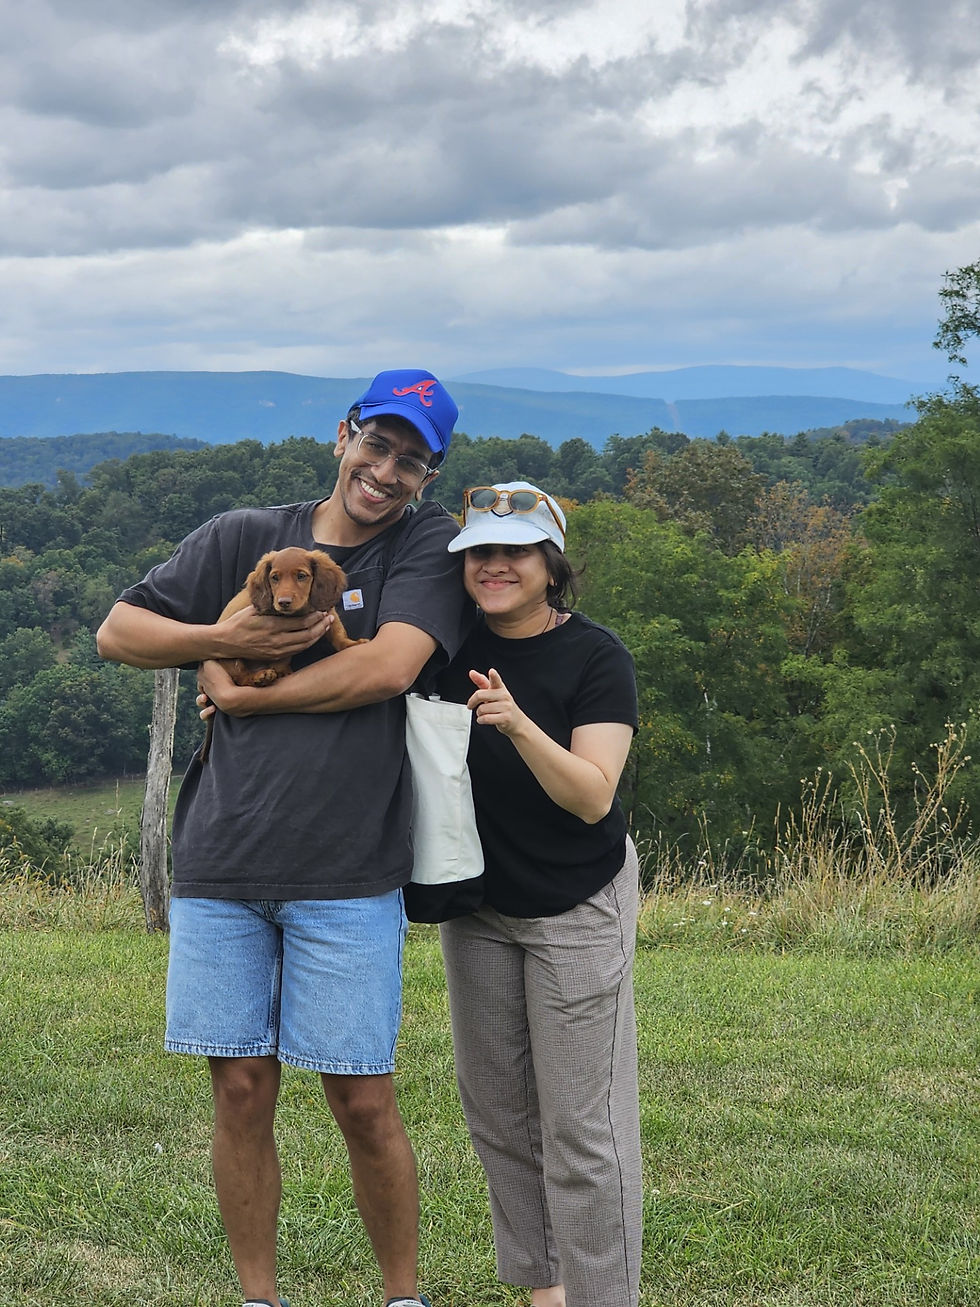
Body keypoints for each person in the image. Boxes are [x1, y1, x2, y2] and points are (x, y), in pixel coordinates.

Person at [96, 369, 470, 1307]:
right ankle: (259, 1298)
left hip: (349, 864)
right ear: (343, 434)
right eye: (376, 445)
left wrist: (243, 688)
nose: (386, 472)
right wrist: (220, 644)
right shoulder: (244, 537)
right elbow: (119, 630)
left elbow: (386, 667)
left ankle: (402, 1297)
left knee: (364, 1097)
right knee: (239, 1090)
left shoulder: (427, 543)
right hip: (222, 857)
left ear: (429, 476)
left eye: (411, 461)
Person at [436, 482, 642, 1307]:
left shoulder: (596, 656)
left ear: (550, 564)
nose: (494, 565)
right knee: (498, 1112)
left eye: (514, 551)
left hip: (577, 900)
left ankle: (604, 1297)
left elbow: (593, 794)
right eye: (479, 551)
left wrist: (518, 723)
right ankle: (543, 1288)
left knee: (581, 1128)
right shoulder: (443, 647)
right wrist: (232, 682)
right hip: (480, 905)